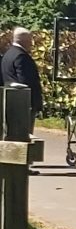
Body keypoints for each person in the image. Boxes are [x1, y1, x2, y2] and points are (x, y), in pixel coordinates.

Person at [2, 27, 43, 174]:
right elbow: (26, 81)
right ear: (25, 40)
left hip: (10, 101)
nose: (32, 43)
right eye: (30, 39)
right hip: (23, 103)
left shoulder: (8, 55)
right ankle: (23, 166)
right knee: (24, 134)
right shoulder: (21, 57)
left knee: (12, 134)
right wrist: (35, 102)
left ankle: (14, 163)